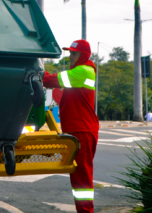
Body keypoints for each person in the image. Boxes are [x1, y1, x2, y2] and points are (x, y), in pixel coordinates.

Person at [43, 40, 99, 213]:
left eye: (74, 53)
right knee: (78, 178)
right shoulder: (79, 73)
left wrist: (37, 72)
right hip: (78, 130)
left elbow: (53, 80)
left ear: (83, 55)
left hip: (82, 130)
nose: (70, 56)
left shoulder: (83, 71)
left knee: (82, 179)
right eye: (70, 53)